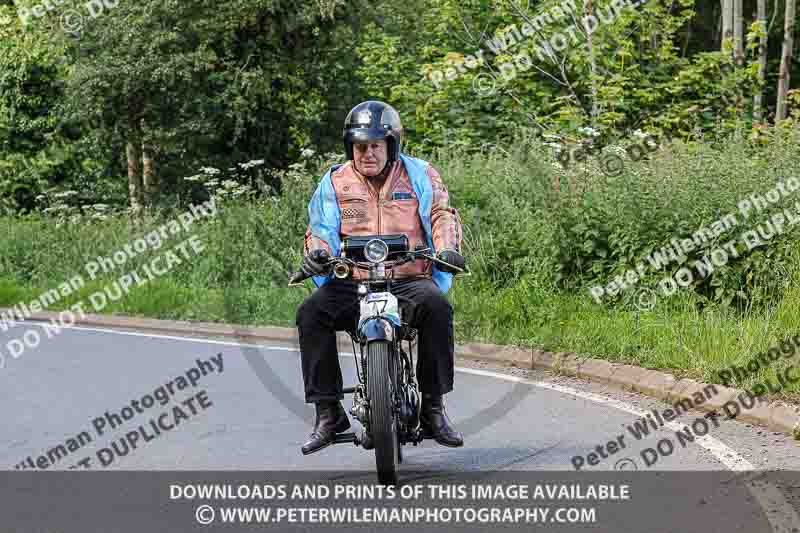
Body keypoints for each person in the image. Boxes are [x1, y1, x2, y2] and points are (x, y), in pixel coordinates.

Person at [296, 100, 467, 455]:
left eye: (375, 145)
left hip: (409, 276)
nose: (368, 153)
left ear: (392, 144)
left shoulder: (420, 174)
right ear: (350, 147)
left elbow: (440, 214)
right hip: (352, 280)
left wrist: (447, 248)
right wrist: (318, 253)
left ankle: (433, 407)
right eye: (360, 146)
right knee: (311, 313)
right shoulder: (335, 181)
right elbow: (320, 229)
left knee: (437, 309)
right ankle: (328, 412)